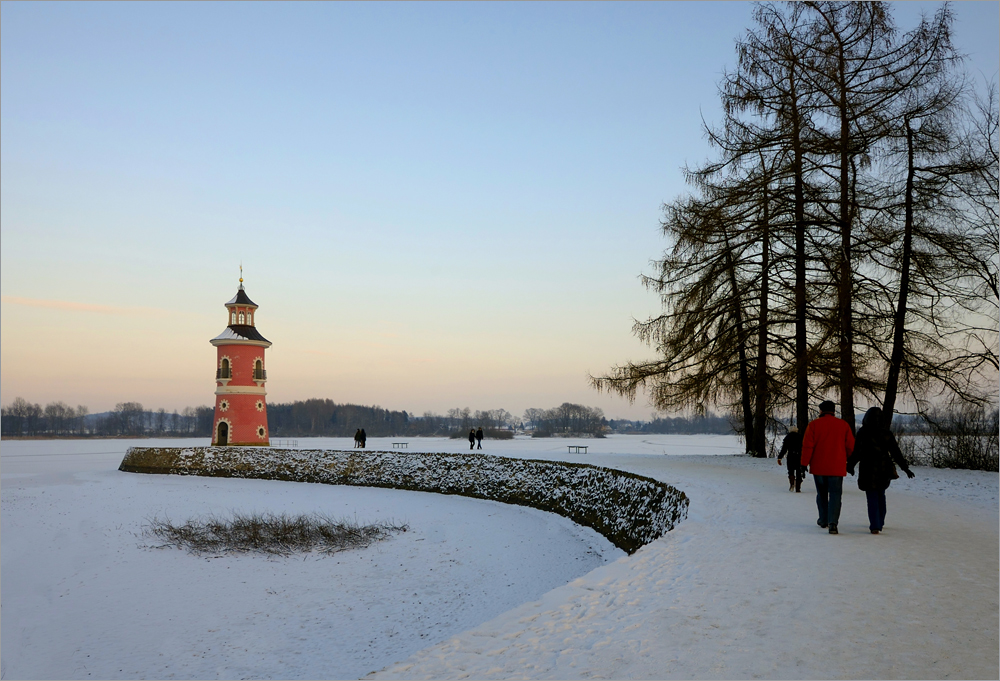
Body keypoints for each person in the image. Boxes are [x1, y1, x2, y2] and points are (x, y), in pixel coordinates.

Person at [847, 406, 915, 534]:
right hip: (884, 467)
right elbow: (896, 452)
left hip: (868, 467)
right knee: (881, 495)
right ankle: (880, 522)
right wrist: (905, 468)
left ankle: (875, 525)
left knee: (871, 496)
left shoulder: (863, 432)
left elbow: (857, 452)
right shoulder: (886, 433)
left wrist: (850, 465)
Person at [801, 400, 855, 535]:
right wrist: (847, 460)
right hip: (837, 467)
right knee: (836, 495)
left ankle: (823, 519)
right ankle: (833, 523)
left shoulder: (813, 425)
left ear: (821, 411)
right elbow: (850, 446)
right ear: (833, 410)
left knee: (821, 494)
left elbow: (808, 447)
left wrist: (803, 464)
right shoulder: (843, 425)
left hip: (819, 467)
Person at [776, 426, 804, 493]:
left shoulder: (787, 438)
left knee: (791, 470)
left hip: (791, 456)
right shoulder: (801, 437)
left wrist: (780, 458)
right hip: (799, 456)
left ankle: (792, 483)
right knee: (799, 471)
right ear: (797, 430)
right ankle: (798, 488)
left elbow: (784, 449)